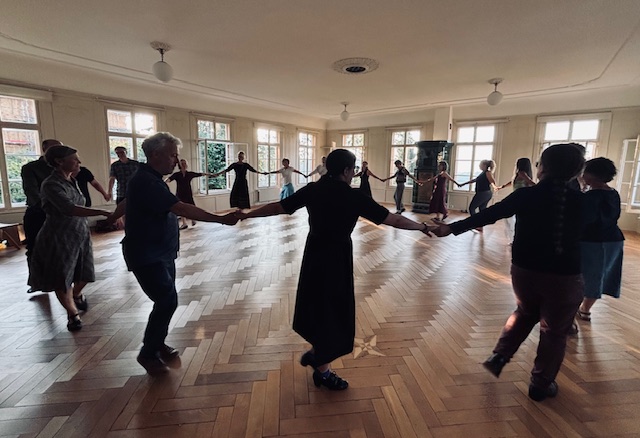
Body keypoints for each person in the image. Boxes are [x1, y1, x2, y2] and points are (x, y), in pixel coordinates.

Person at [236, 149, 436, 390]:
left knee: (317, 305)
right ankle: (323, 369)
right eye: (353, 169)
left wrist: (248, 215)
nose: (354, 173)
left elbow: (279, 207)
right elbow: (393, 219)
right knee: (334, 311)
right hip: (336, 258)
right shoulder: (353, 196)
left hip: (314, 254)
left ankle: (317, 354)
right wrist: (422, 227)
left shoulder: (313, 189)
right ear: (346, 170)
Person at [431, 143, 586, 402]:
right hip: (565, 277)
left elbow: (490, 214)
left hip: (525, 272)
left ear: (543, 168)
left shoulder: (526, 195)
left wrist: (451, 228)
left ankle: (500, 355)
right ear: (577, 171)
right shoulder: (584, 202)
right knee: (554, 331)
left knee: (525, 312)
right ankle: (541, 384)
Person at [109, 132, 238, 374]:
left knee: (166, 300)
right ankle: (148, 353)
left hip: (161, 250)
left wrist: (112, 216)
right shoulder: (147, 180)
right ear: (156, 155)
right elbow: (180, 208)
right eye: (172, 155)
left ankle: (157, 343)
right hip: (146, 253)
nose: (176, 161)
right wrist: (220, 219)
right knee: (166, 300)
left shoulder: (151, 178)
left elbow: (128, 202)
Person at [27, 145, 111, 331]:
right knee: (62, 276)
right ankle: (72, 314)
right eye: (74, 159)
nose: (79, 162)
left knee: (85, 273)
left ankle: (76, 295)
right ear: (59, 162)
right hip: (59, 235)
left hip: (80, 232)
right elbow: (69, 209)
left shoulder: (72, 180)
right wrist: (102, 212)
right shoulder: (51, 184)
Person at [576, 157, 624, 323]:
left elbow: (584, 220)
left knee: (586, 276)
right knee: (602, 275)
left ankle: (579, 310)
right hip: (614, 239)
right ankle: (585, 310)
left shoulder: (590, 196)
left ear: (591, 175)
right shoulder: (613, 193)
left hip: (592, 241)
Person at [21, 138, 62, 292]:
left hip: (60, 213)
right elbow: (32, 192)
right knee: (34, 247)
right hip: (38, 213)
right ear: (45, 150)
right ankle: (36, 282)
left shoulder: (62, 167)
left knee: (60, 247)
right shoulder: (30, 168)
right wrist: (48, 208)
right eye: (55, 148)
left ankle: (60, 279)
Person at [495, 158, 536, 242]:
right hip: (519, 198)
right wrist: (502, 187)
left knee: (513, 218)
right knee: (513, 219)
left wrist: (540, 188)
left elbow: (531, 183)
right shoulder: (519, 174)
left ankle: (516, 238)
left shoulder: (522, 173)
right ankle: (515, 238)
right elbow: (512, 182)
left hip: (521, 198)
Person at [167, 159, 215, 229]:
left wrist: (210, 174)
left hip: (188, 193)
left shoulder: (189, 174)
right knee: (181, 207)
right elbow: (169, 179)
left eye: (184, 163)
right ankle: (184, 223)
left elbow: (199, 174)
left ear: (186, 165)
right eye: (182, 164)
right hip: (180, 192)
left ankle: (193, 220)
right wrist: (163, 182)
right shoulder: (177, 174)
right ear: (179, 165)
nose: (183, 165)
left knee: (191, 206)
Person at [458, 159, 497, 231]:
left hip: (483, 193)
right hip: (485, 193)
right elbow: (474, 180)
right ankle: (480, 226)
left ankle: (476, 224)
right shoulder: (483, 173)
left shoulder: (487, 172)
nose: (479, 166)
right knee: (482, 210)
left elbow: (493, 181)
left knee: (471, 208)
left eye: (480, 164)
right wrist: (463, 184)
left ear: (484, 165)